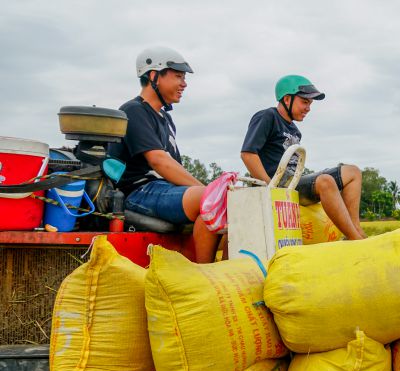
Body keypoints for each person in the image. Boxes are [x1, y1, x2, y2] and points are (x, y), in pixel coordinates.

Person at [109, 46, 219, 263]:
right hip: (139, 191)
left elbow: (173, 168)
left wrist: (208, 191)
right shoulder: (133, 111)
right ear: (153, 76)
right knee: (214, 199)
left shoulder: (165, 119)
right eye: (178, 76)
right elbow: (160, 162)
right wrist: (208, 191)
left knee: (227, 199)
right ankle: (205, 275)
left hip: (164, 190)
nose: (184, 84)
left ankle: (213, 265)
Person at [240, 75, 366, 240]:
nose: (308, 108)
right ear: (287, 99)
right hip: (276, 185)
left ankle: (356, 231)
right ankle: (356, 241)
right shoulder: (268, 117)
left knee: (353, 172)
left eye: (310, 104)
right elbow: (248, 154)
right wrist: (271, 188)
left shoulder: (295, 131)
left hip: (294, 183)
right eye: (305, 102)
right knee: (325, 181)